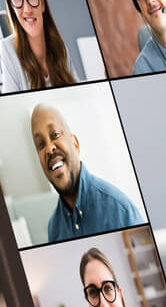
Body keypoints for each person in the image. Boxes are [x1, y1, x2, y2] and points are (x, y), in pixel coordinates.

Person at [31, 103, 143, 243]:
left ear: (75, 145)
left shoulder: (120, 210)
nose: (49, 148)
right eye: (40, 144)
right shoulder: (53, 229)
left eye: (55, 135)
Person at [0, 0, 81, 91]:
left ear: (42, 2)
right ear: (11, 6)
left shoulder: (59, 47)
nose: (27, 9)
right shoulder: (8, 49)